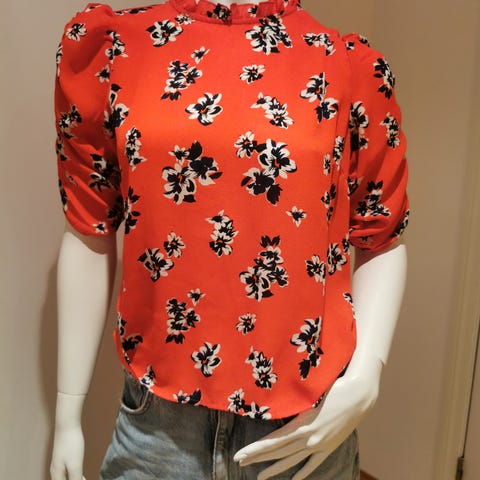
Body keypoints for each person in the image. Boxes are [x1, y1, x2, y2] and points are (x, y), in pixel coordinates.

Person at [50, 1, 409, 479]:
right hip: (158, 431)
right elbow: (88, 229)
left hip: (303, 429)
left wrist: (366, 377)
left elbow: (380, 235)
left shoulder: (346, 67)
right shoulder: (116, 51)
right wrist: (66, 414)